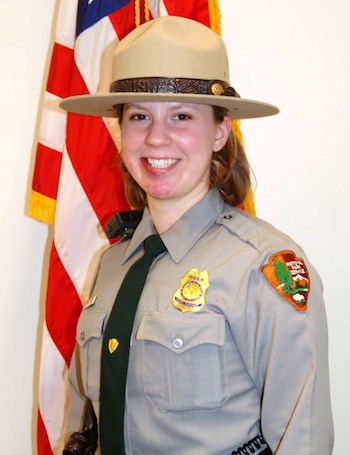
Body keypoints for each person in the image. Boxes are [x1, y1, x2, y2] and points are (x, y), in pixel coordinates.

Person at [60, 15, 334, 455]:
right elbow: (85, 425)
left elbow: (302, 438)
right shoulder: (112, 265)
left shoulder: (264, 266)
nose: (155, 138)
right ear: (121, 130)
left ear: (220, 131)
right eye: (139, 116)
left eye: (182, 116)